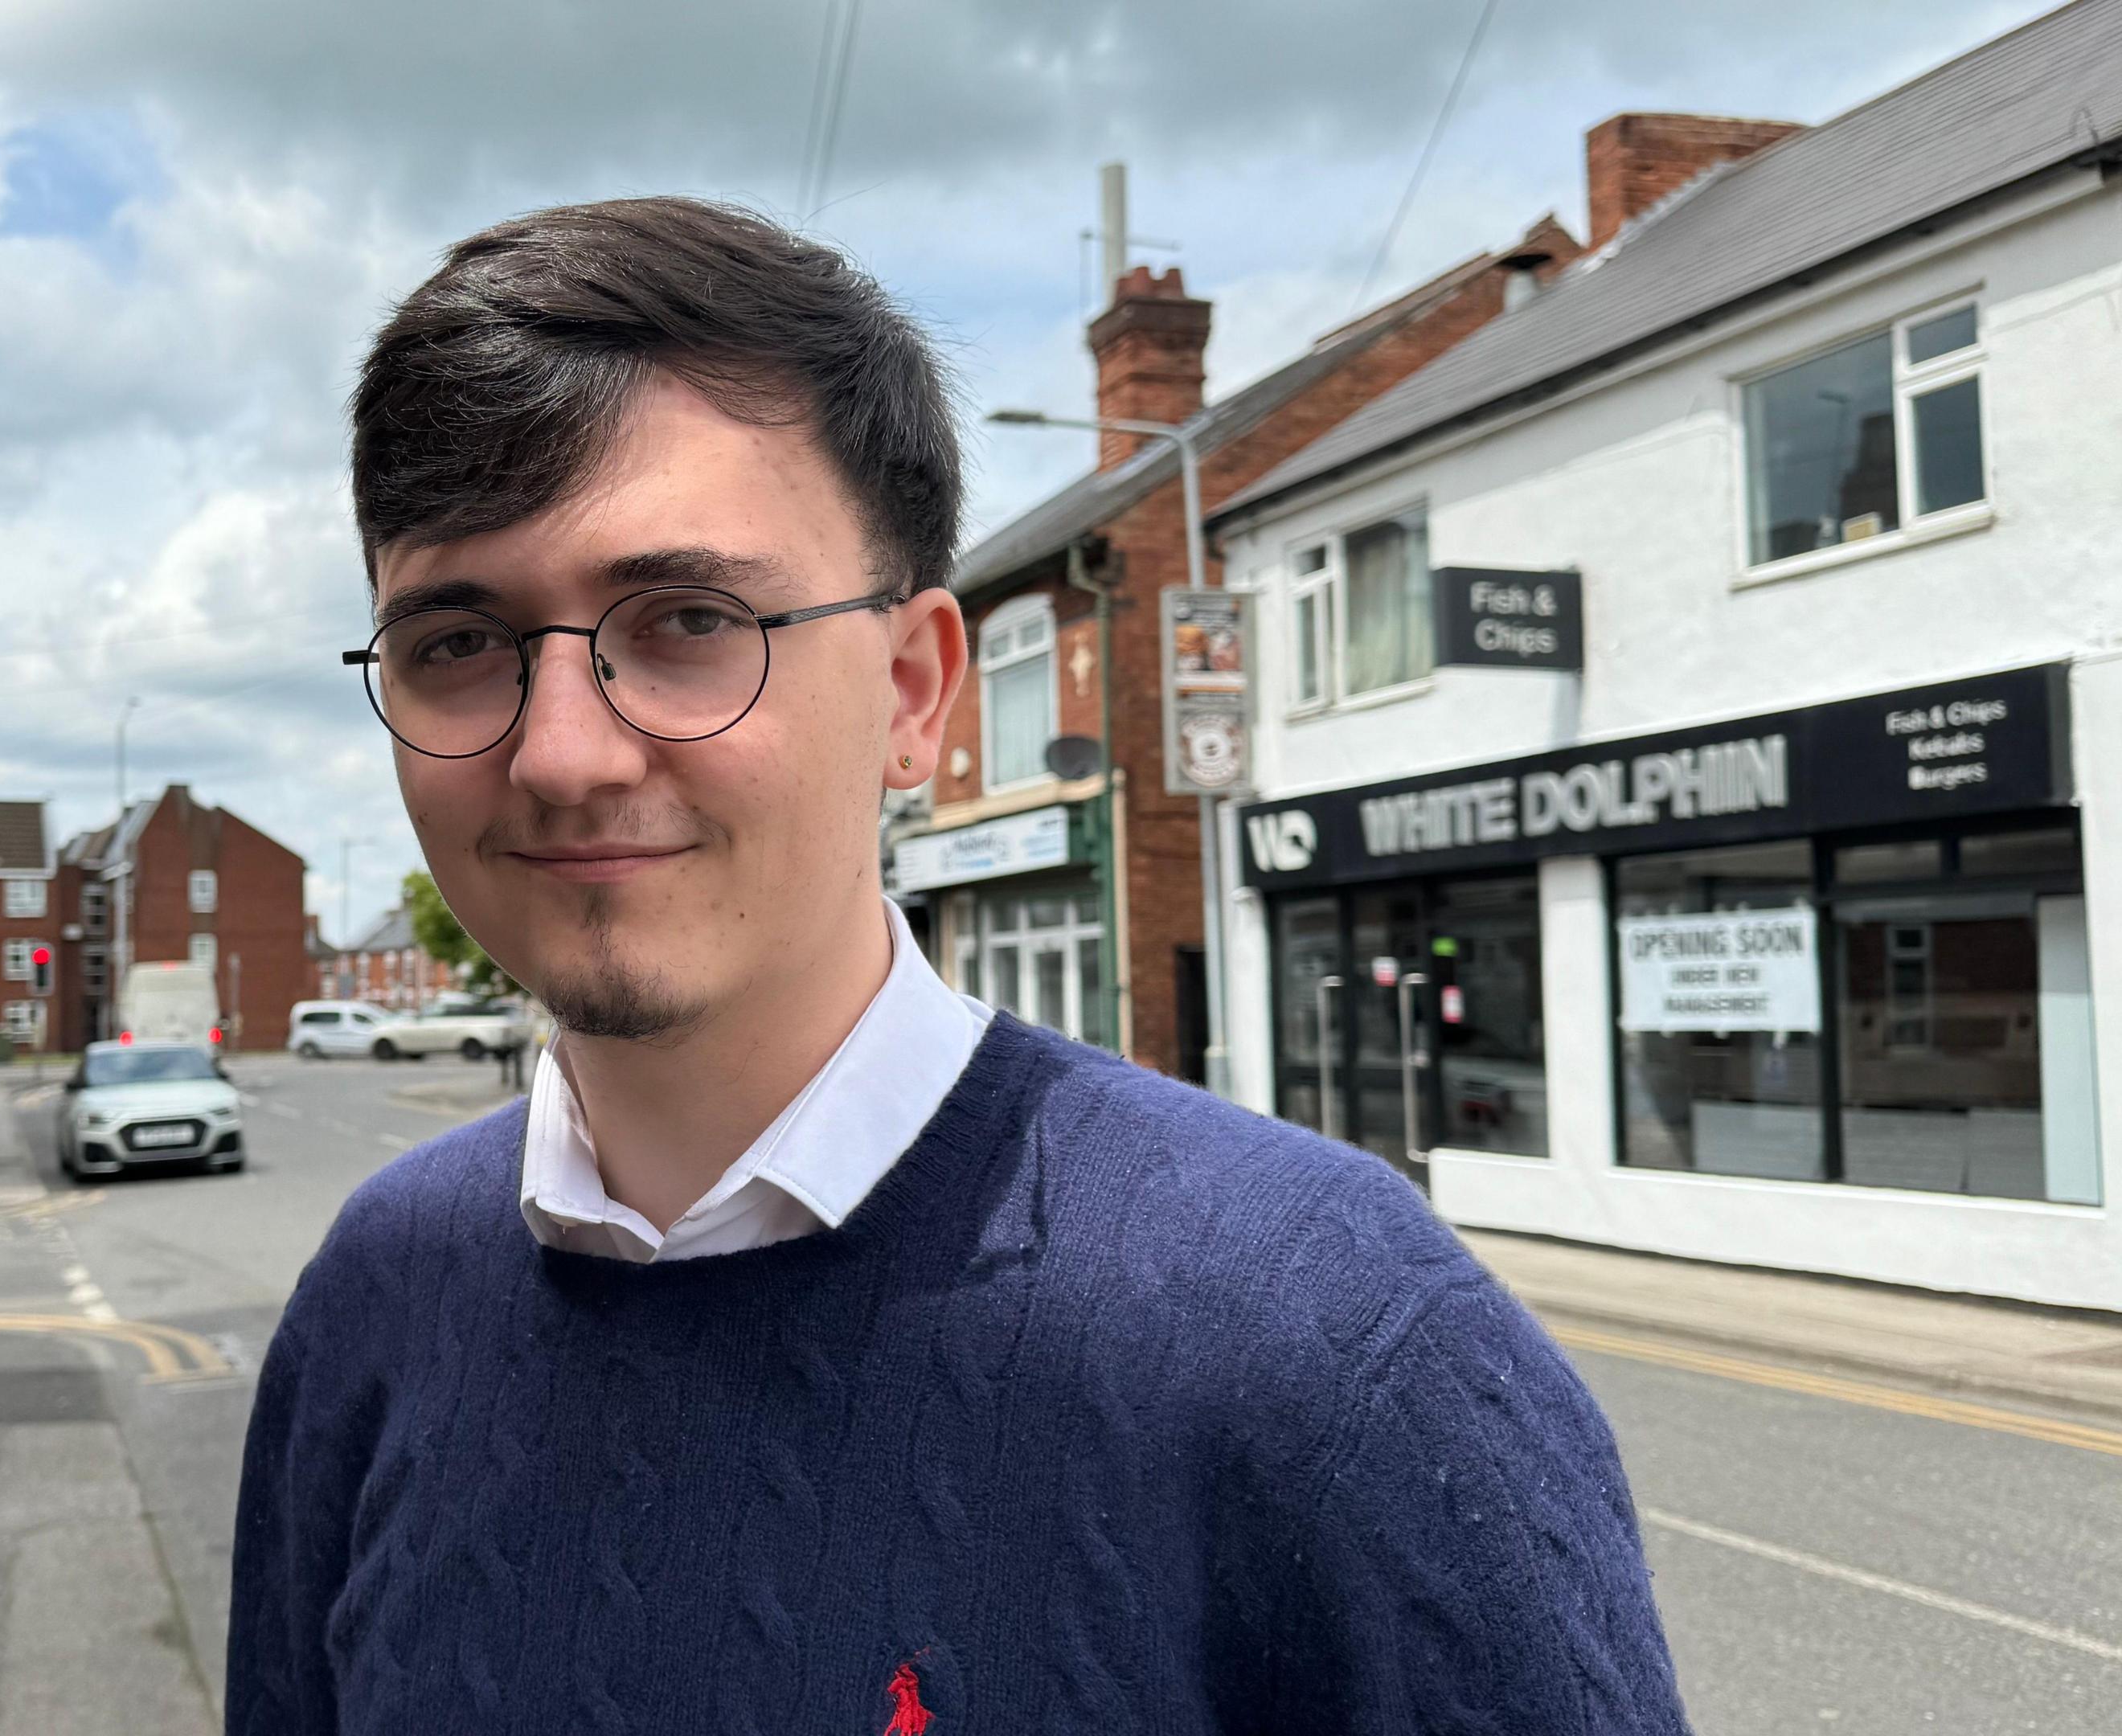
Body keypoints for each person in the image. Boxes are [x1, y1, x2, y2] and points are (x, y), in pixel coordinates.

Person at [226, 198, 1688, 1731]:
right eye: (457, 644)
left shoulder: (1331, 1339)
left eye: (689, 621)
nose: (564, 753)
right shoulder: (376, 1303)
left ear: (916, 692)